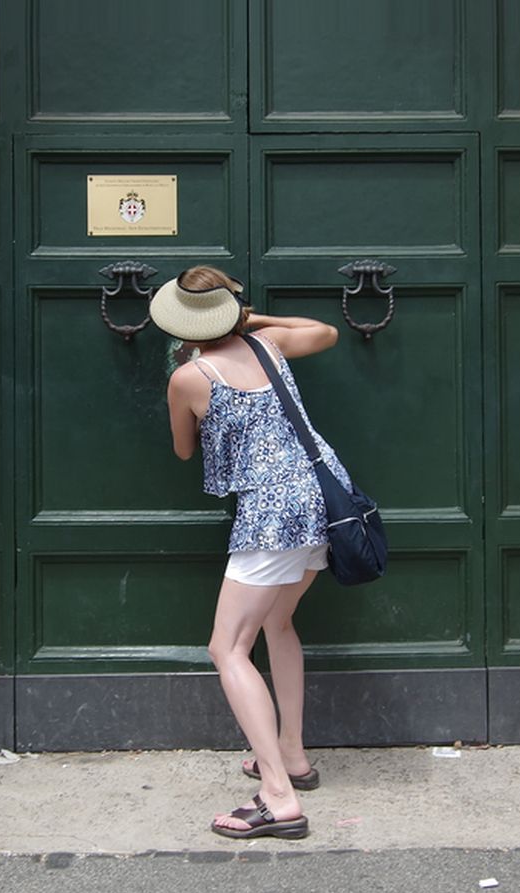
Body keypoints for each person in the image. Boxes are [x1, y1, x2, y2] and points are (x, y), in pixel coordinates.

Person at [152, 265, 350, 840]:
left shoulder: (189, 377)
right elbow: (325, 332)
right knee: (278, 624)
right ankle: (292, 755)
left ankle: (278, 796)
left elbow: (183, 450)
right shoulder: (270, 345)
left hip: (271, 514)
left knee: (227, 648)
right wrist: (251, 320)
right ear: (232, 311)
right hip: (322, 497)